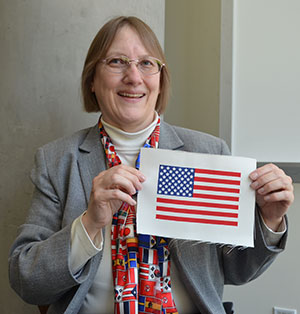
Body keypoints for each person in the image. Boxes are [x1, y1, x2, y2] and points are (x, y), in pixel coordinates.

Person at [9, 16, 294, 314]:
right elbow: (27, 280)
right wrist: (89, 224)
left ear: (160, 80)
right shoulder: (56, 161)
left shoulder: (209, 152)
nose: (134, 77)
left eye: (146, 63)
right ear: (92, 79)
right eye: (117, 62)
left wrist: (270, 221)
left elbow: (238, 270)